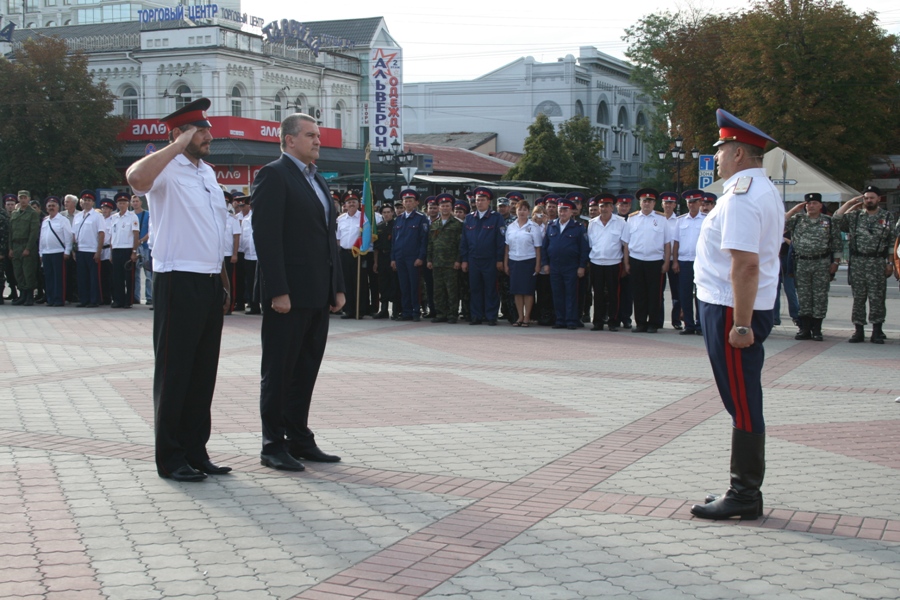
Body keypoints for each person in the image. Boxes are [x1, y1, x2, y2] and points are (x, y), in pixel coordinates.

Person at [126, 97, 232, 482]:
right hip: (177, 279)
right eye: (200, 131)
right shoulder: (166, 169)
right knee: (175, 373)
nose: (209, 136)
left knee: (203, 373)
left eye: (207, 130)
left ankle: (195, 451)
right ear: (180, 134)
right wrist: (174, 145)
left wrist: (222, 282)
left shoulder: (207, 173)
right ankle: (170, 458)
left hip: (207, 281)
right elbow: (136, 179)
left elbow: (214, 231)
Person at [691, 109, 782, 520]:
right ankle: (745, 489)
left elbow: (745, 264)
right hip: (730, 306)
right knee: (740, 398)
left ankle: (744, 494)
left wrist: (741, 324)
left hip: (732, 311)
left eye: (722, 150)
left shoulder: (744, 194)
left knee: (742, 400)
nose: (719, 158)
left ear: (740, 154)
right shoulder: (753, 190)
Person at [251, 113, 345, 472]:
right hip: (287, 296)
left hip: (318, 293)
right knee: (279, 371)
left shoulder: (317, 179)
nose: (318, 141)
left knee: (306, 369)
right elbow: (267, 237)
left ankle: (299, 438)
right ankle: (272, 444)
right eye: (311, 135)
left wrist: (337, 286)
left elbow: (327, 238)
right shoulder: (273, 175)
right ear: (290, 140)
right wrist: (277, 290)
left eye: (318, 135)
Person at [833, 185, 897, 343]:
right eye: (866, 198)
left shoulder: (887, 217)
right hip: (858, 262)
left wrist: (890, 263)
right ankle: (858, 330)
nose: (869, 200)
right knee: (859, 297)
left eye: (872, 198)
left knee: (877, 297)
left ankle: (877, 330)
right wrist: (849, 203)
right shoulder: (855, 216)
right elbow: (836, 219)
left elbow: (891, 242)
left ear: (879, 199)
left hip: (877, 261)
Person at [784, 193, 841, 341]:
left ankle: (817, 329)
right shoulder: (798, 220)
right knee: (804, 296)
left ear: (820, 205)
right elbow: (780, 224)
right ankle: (805, 329)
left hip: (821, 263)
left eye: (814, 203)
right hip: (802, 262)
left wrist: (835, 262)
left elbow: (836, 243)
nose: (811, 206)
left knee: (820, 296)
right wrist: (795, 210)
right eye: (808, 203)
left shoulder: (828, 221)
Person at [623, 188, 671, 333]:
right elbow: (626, 243)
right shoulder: (632, 218)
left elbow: (667, 243)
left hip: (655, 261)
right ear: (640, 203)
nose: (647, 204)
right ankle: (640, 323)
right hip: (636, 260)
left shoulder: (662, 219)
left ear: (654, 203)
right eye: (644, 201)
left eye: (650, 201)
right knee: (638, 294)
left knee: (654, 294)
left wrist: (667, 262)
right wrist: (626, 263)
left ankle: (653, 323)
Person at [460, 187, 506, 326]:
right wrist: (464, 260)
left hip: (490, 260)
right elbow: (464, 242)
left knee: (491, 288)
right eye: (477, 200)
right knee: (475, 288)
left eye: (482, 200)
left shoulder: (496, 217)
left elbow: (500, 241)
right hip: (473, 260)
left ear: (488, 201)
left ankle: (491, 316)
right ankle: (476, 316)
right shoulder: (469, 218)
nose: (479, 203)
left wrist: (499, 259)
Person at [542, 197, 588, 330]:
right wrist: (546, 263)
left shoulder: (578, 227)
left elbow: (584, 248)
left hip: (571, 266)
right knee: (557, 294)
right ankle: (560, 319)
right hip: (555, 265)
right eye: (560, 210)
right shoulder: (551, 226)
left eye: (565, 210)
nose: (562, 213)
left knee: (571, 294)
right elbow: (545, 246)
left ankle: (571, 320)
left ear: (571, 212)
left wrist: (581, 266)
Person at [586, 193, 629, 331]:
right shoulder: (592, 223)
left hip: (614, 262)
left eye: (607, 206)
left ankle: (613, 321)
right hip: (596, 262)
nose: (604, 209)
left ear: (612, 207)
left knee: (613, 294)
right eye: (601, 206)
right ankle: (597, 321)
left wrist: (626, 264)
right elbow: (590, 244)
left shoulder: (621, 222)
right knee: (597, 293)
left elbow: (625, 245)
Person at [391, 189, 429, 321]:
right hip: (400, 257)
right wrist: (393, 258)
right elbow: (394, 241)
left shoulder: (421, 218)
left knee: (414, 286)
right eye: (405, 201)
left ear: (416, 203)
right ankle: (406, 311)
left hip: (413, 258)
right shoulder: (399, 219)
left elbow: (424, 240)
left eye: (410, 201)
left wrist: (420, 257)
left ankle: (415, 311)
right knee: (404, 285)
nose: (407, 204)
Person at [672, 189, 706, 335]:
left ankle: (700, 325)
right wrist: (675, 261)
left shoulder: (706, 219)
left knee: (701, 294)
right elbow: (676, 243)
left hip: (701, 262)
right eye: (689, 202)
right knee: (684, 295)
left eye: (694, 202)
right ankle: (689, 325)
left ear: (700, 203)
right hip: (684, 261)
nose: (691, 205)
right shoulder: (680, 221)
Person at [504, 198, 542, 327]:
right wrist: (506, 264)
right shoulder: (510, 226)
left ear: (528, 211)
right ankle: (519, 316)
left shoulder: (534, 227)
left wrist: (537, 264)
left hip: (528, 262)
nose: (522, 212)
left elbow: (538, 248)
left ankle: (527, 317)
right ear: (516, 210)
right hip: (514, 261)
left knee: (528, 291)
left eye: (525, 209)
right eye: (519, 209)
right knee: (517, 291)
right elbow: (507, 247)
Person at [426, 193, 463, 323]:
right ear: (439, 208)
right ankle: (441, 314)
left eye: (447, 206)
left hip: (451, 263)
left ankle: (452, 314)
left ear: (451, 207)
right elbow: (430, 243)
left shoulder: (457, 224)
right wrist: (429, 259)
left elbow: (461, 244)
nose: (445, 208)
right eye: (442, 206)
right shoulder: (434, 224)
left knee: (452, 290)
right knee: (438, 290)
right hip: (437, 262)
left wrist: (458, 260)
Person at [336, 190, 370, 319]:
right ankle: (349, 309)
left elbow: (366, 237)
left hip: (358, 254)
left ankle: (359, 310)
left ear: (358, 204)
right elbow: (338, 238)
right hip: (344, 254)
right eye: (349, 202)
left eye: (354, 202)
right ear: (345, 205)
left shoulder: (363, 218)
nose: (351, 204)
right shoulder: (340, 219)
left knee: (359, 282)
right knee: (346, 283)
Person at [38, 196, 72, 307]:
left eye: (53, 206)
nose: (51, 208)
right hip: (47, 253)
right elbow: (42, 238)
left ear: (58, 207)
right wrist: (40, 252)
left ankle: (59, 299)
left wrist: (67, 251)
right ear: (46, 208)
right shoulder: (45, 221)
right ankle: (50, 298)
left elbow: (68, 237)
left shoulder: (63, 220)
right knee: (48, 277)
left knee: (59, 277)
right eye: (49, 206)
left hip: (58, 252)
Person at [9, 190, 41, 306]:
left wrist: (28, 248)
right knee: (18, 272)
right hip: (16, 245)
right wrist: (10, 248)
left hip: (26, 245)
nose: (23, 200)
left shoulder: (32, 213)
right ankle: (22, 294)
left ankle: (29, 296)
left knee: (28, 272)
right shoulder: (15, 213)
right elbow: (10, 232)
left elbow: (33, 233)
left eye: (25, 198)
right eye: (21, 198)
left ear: (28, 199)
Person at [108, 191, 140, 309]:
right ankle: (118, 300)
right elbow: (112, 236)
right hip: (116, 249)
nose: (122, 205)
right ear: (117, 204)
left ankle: (129, 300)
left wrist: (134, 251)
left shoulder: (132, 216)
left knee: (129, 277)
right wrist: (111, 253)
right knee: (117, 277)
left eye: (124, 202)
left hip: (127, 250)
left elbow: (136, 234)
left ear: (128, 204)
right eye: (120, 203)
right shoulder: (113, 218)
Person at [72, 191, 103, 308]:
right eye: (85, 200)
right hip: (80, 250)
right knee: (82, 277)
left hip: (92, 250)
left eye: (89, 200)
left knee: (93, 277)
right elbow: (74, 234)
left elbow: (101, 234)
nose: (86, 202)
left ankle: (93, 300)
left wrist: (98, 251)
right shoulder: (77, 216)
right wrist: (73, 250)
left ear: (93, 202)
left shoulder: (97, 216)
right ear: (81, 202)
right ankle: (83, 299)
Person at [659, 191, 682, 330]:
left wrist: (675, 261)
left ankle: (676, 320)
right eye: (665, 202)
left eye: (671, 203)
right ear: (662, 204)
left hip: (675, 261)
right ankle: (659, 320)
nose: (668, 205)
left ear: (675, 205)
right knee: (658, 292)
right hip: (659, 260)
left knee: (676, 292)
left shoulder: (680, 220)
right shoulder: (657, 219)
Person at [372, 203, 398, 319]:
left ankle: (396, 310)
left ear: (393, 213)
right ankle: (383, 310)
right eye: (384, 212)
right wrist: (376, 262)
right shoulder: (379, 226)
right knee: (383, 284)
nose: (386, 214)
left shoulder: (397, 225)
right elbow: (376, 247)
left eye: (388, 212)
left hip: (393, 257)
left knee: (394, 284)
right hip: (382, 257)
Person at [615, 194, 635, 329]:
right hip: (615, 259)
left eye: (626, 205)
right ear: (617, 206)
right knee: (614, 291)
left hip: (629, 259)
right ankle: (615, 317)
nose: (624, 207)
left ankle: (626, 318)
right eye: (621, 205)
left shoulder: (634, 220)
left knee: (628, 292)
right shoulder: (613, 220)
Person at [131, 195, 152, 306]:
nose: (135, 203)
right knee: (135, 274)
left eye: (137, 201)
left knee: (148, 273)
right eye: (133, 201)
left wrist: (141, 240)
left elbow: (150, 230)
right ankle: (136, 297)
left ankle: (149, 297)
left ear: (141, 202)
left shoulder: (147, 214)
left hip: (145, 247)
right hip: (134, 247)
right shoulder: (130, 216)